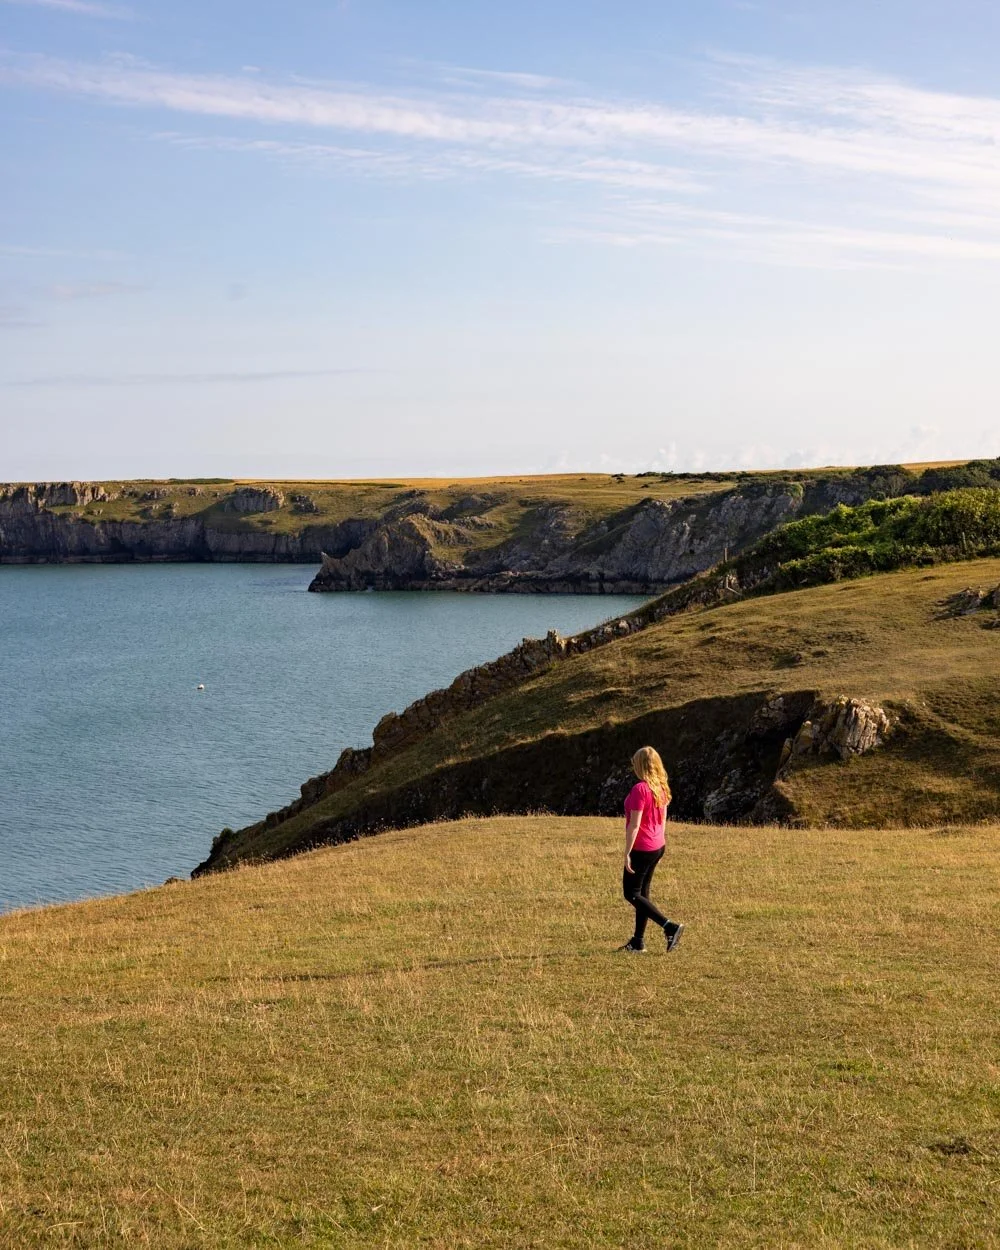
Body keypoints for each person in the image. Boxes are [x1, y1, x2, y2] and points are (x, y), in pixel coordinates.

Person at [619, 746, 683, 954]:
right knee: (642, 893)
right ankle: (637, 942)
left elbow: (634, 825)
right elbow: (663, 819)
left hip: (642, 848)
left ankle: (669, 927)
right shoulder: (661, 787)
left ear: (640, 766)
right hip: (657, 845)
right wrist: (659, 842)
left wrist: (628, 852)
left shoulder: (640, 789)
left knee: (631, 894)